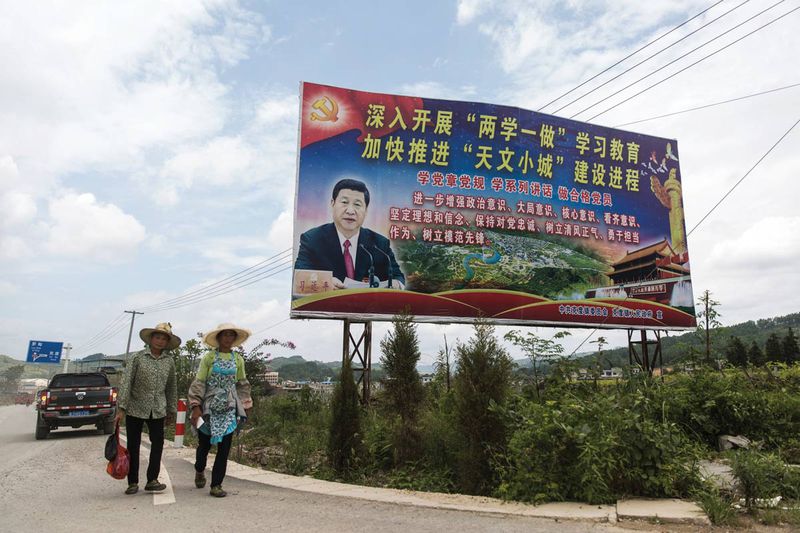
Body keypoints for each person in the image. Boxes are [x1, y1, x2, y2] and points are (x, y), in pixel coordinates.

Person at [294, 178, 405, 289]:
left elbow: (398, 277)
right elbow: (299, 276)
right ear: (332, 204)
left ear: (366, 210)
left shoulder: (379, 244)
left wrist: (396, 284)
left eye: (357, 204)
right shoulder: (312, 239)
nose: (350, 211)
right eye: (344, 202)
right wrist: (325, 282)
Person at [188, 323, 253, 498]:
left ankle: (216, 484)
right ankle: (199, 469)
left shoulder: (238, 359)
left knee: (224, 449)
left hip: (229, 407)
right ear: (218, 338)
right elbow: (199, 382)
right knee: (204, 445)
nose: (228, 338)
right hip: (209, 406)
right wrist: (196, 406)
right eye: (225, 335)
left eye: (231, 335)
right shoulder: (209, 358)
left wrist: (245, 406)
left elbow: (242, 384)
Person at [115, 322, 179, 495]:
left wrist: (172, 410)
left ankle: (152, 479)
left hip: (158, 408)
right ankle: (132, 482)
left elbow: (171, 387)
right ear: (151, 339)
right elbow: (127, 382)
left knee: (157, 444)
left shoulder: (169, 361)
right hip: (135, 407)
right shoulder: (138, 358)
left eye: (164, 339)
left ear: (167, 342)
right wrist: (122, 407)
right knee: (133, 445)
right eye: (157, 337)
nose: (160, 341)